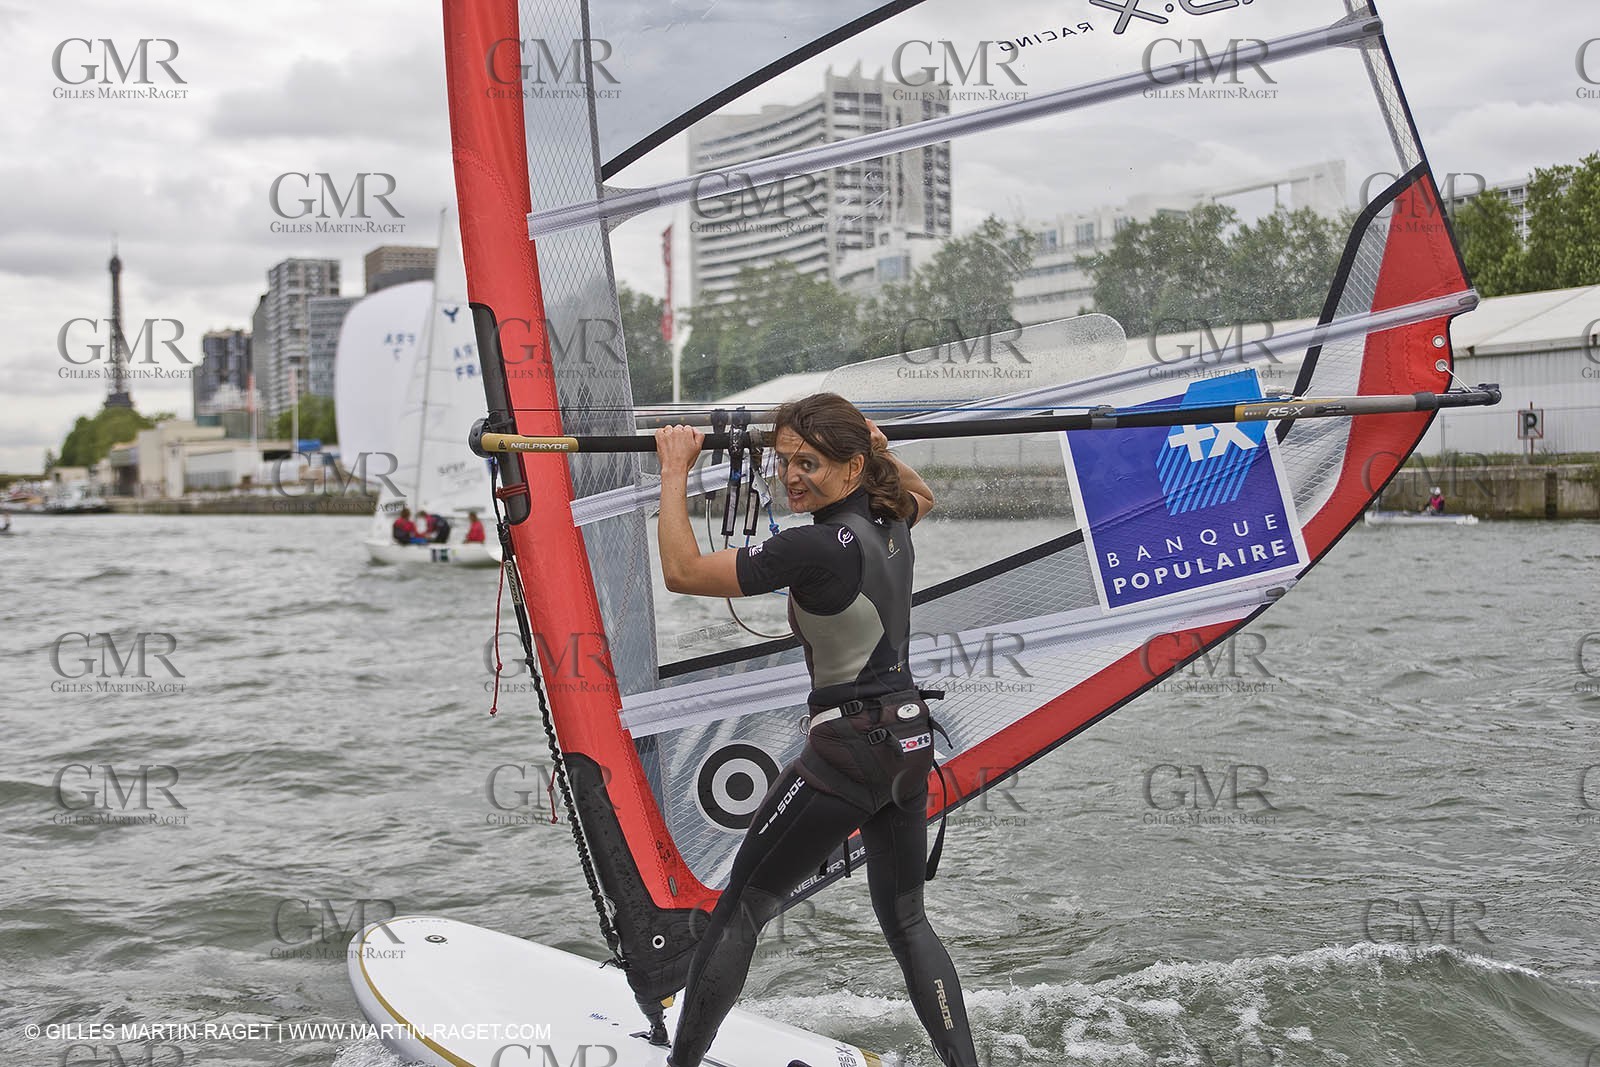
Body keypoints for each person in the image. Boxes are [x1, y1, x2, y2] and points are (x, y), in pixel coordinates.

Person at [654, 393, 979, 1067]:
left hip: (852, 747)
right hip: (911, 740)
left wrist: (675, 469)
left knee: (741, 906)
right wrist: (877, 448)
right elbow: (924, 495)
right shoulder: (893, 520)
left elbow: (682, 572)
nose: (792, 476)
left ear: (852, 467)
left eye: (811, 463)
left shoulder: (811, 547)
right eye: (784, 461)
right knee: (908, 919)